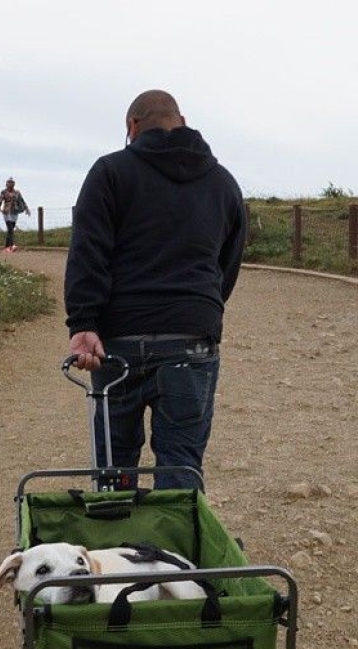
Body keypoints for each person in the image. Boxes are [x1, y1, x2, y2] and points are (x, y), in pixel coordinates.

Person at [64, 89, 247, 490]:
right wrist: (199, 310)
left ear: (133, 126)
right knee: (181, 468)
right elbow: (226, 267)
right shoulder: (223, 184)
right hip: (191, 341)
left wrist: (84, 322)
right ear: (181, 121)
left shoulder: (109, 172)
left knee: (114, 468)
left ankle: (116, 547)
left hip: (118, 343)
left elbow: (87, 252)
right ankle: (177, 550)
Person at [0, 177, 30, 252]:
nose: (10, 184)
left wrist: (27, 209)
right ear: (6, 183)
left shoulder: (17, 192)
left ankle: (7, 247)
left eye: (12, 182)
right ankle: (12, 245)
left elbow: (22, 200)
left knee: (10, 230)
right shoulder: (3, 192)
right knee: (10, 229)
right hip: (7, 212)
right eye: (9, 182)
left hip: (15, 212)